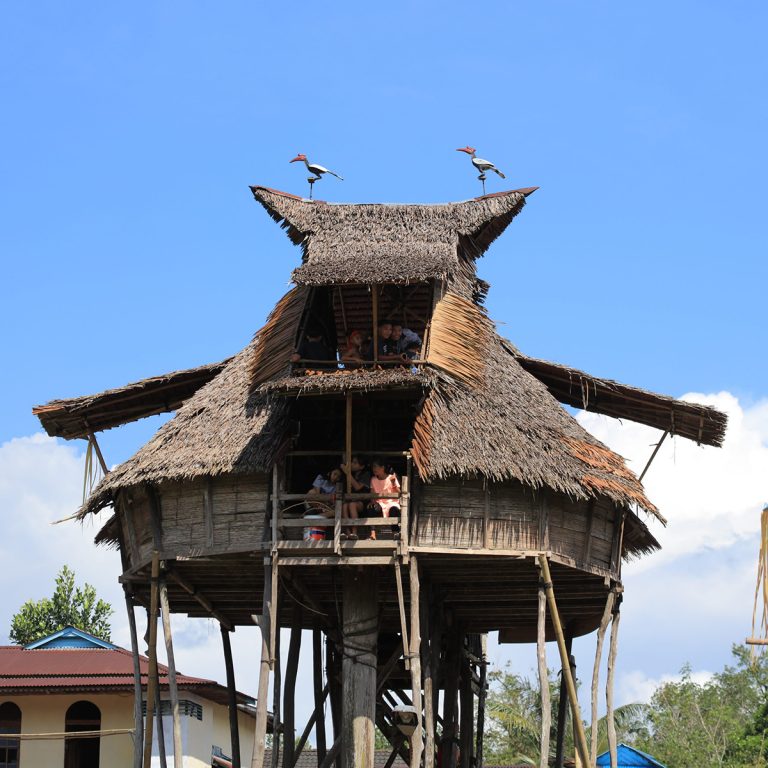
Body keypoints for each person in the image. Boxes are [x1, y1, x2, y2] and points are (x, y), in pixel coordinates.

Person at [368, 458, 401, 540]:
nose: (374, 469)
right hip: (380, 503)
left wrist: (393, 483)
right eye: (373, 467)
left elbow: (399, 492)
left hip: (391, 502)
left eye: (376, 467)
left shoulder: (391, 478)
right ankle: (373, 533)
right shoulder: (373, 479)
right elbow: (372, 494)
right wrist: (373, 502)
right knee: (372, 508)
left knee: (394, 510)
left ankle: (396, 533)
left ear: (382, 468)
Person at [339, 455, 371, 539]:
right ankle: (348, 533)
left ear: (362, 466)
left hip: (362, 503)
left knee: (352, 505)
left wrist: (347, 473)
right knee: (344, 506)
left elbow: (357, 487)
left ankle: (354, 532)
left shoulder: (366, 474)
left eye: (355, 463)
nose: (352, 464)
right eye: (352, 462)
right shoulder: (350, 473)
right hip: (349, 501)